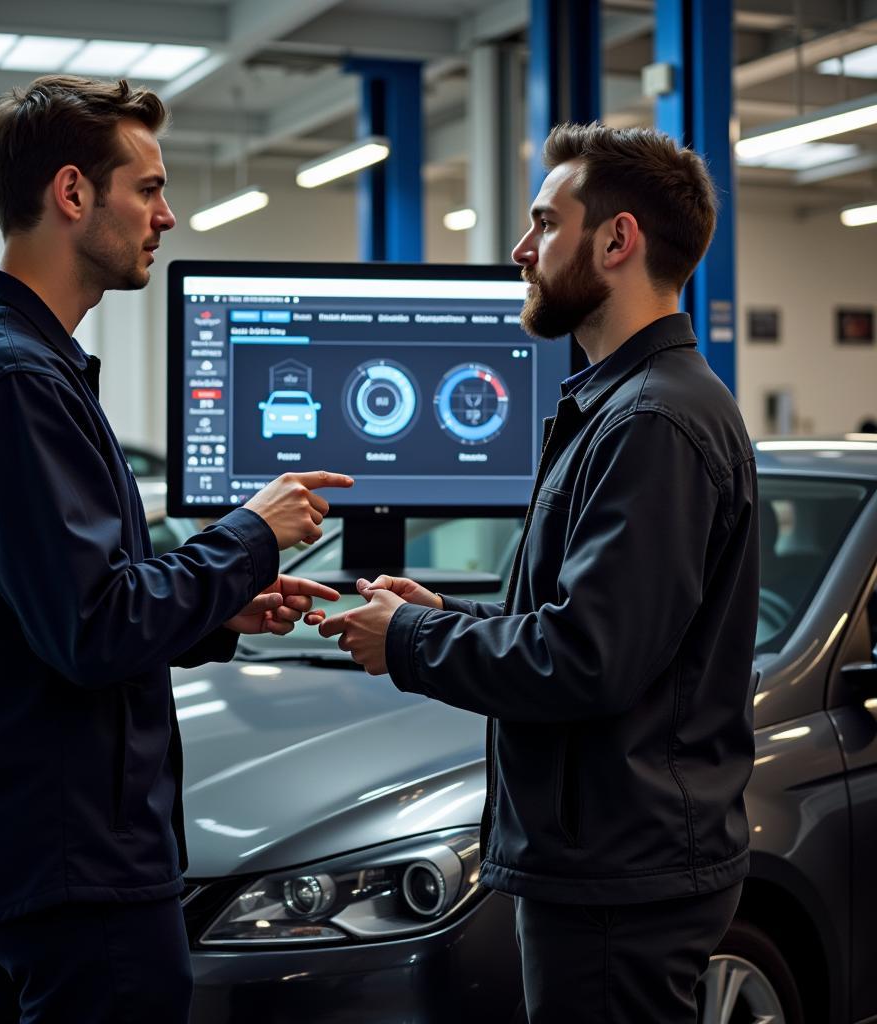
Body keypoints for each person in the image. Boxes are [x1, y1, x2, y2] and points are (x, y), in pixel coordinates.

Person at [0, 75, 352, 1024]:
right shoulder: (11, 378)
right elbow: (93, 628)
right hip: (75, 866)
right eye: (146, 188)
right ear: (72, 194)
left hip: (31, 850)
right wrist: (249, 534)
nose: (167, 213)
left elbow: (58, 603)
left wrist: (214, 606)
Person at [320, 122, 759, 1023]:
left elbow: (585, 659)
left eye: (542, 223)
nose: (522, 250)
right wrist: (444, 610)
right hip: (610, 856)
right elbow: (580, 614)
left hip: (619, 871)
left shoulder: (654, 423)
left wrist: (408, 639)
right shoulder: (626, 408)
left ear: (616, 240)